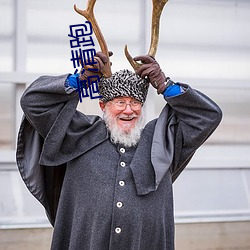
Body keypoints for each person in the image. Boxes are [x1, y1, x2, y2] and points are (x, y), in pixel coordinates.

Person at [16, 51, 222, 250]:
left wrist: (164, 85)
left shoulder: (163, 139)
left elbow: (208, 116)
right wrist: (78, 80)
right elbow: (32, 102)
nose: (128, 110)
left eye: (135, 103)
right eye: (120, 102)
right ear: (103, 105)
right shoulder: (79, 132)